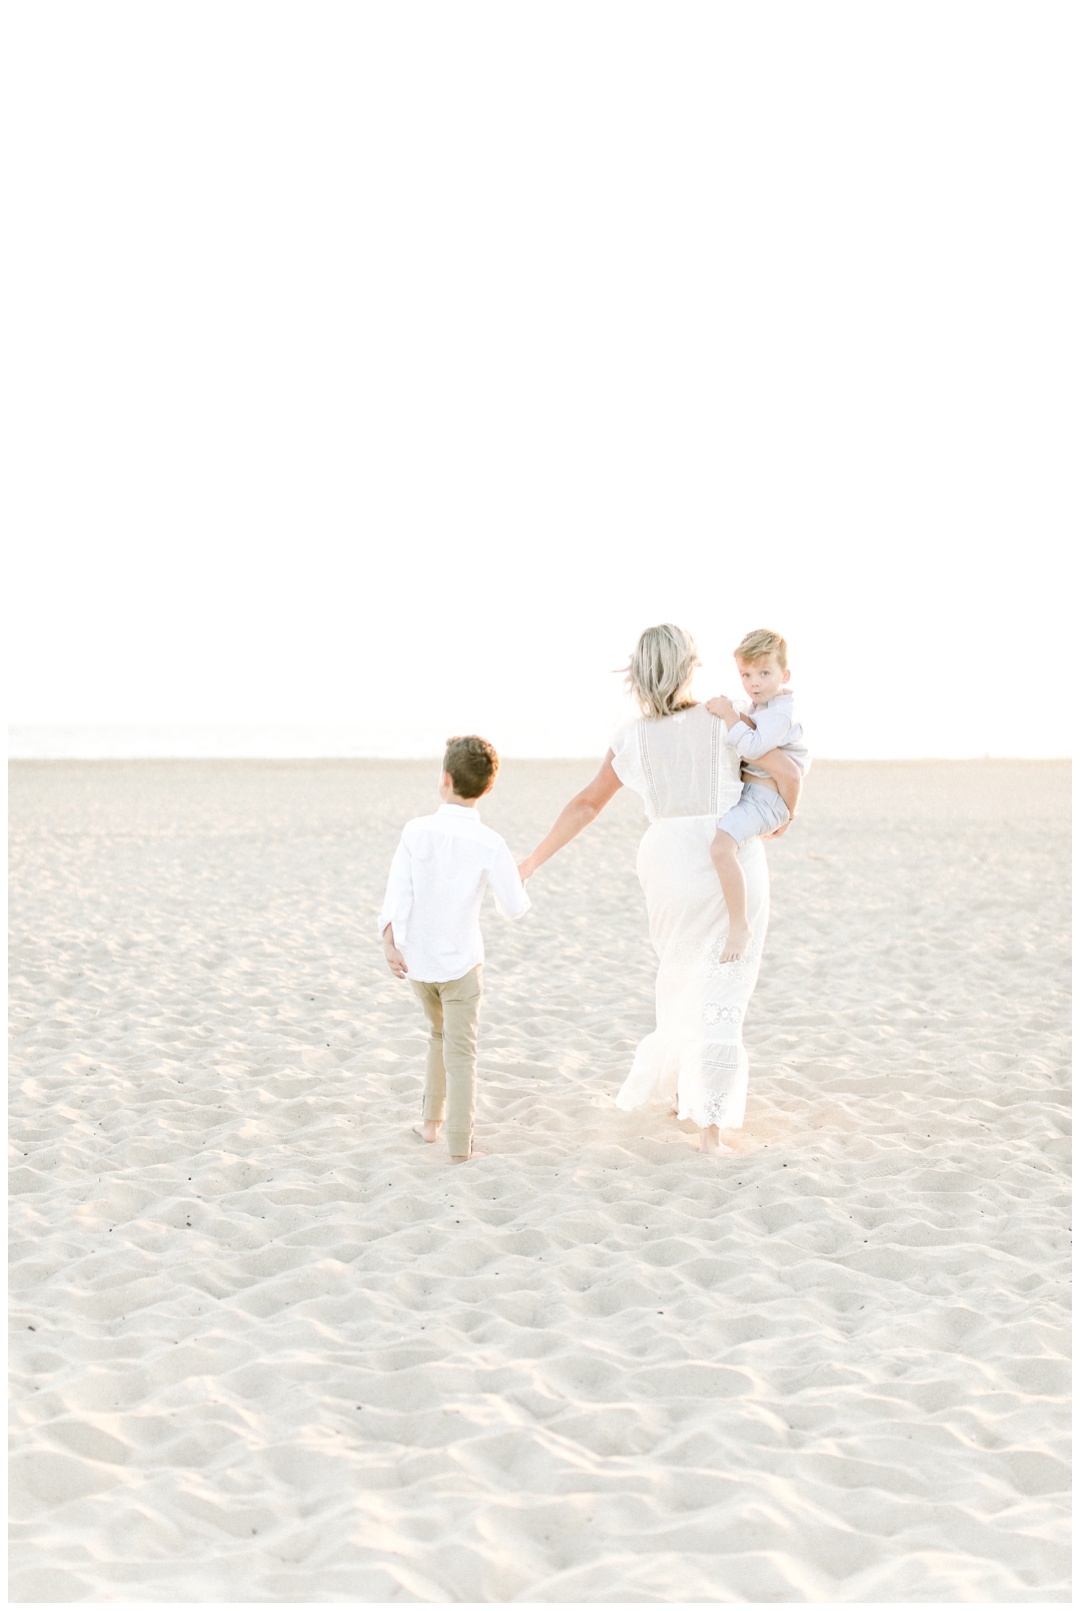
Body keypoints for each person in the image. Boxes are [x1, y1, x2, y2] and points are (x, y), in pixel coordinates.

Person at [517, 623, 792, 1156]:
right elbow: (779, 769)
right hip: (727, 849)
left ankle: (677, 1095)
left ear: (638, 673)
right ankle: (709, 1129)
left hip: (667, 861)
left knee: (681, 974)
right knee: (724, 992)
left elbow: (587, 804)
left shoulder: (631, 736)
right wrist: (782, 814)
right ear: (690, 666)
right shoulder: (726, 715)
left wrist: (531, 861)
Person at [379, 735, 530, 1163]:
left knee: (437, 1036)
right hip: (462, 967)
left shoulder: (416, 830)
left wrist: (390, 943)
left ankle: (430, 1124)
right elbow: (514, 908)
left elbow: (397, 893)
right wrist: (521, 882)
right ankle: (459, 1145)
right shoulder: (490, 843)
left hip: (419, 966)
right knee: (462, 1051)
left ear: (444, 779)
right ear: (488, 789)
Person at [705, 628, 809, 963]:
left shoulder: (780, 713)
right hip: (758, 792)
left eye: (765, 673)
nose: (754, 682)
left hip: (768, 799)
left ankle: (739, 926)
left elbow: (751, 746)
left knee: (721, 847)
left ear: (785, 675)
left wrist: (728, 714)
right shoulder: (762, 706)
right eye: (746, 674)